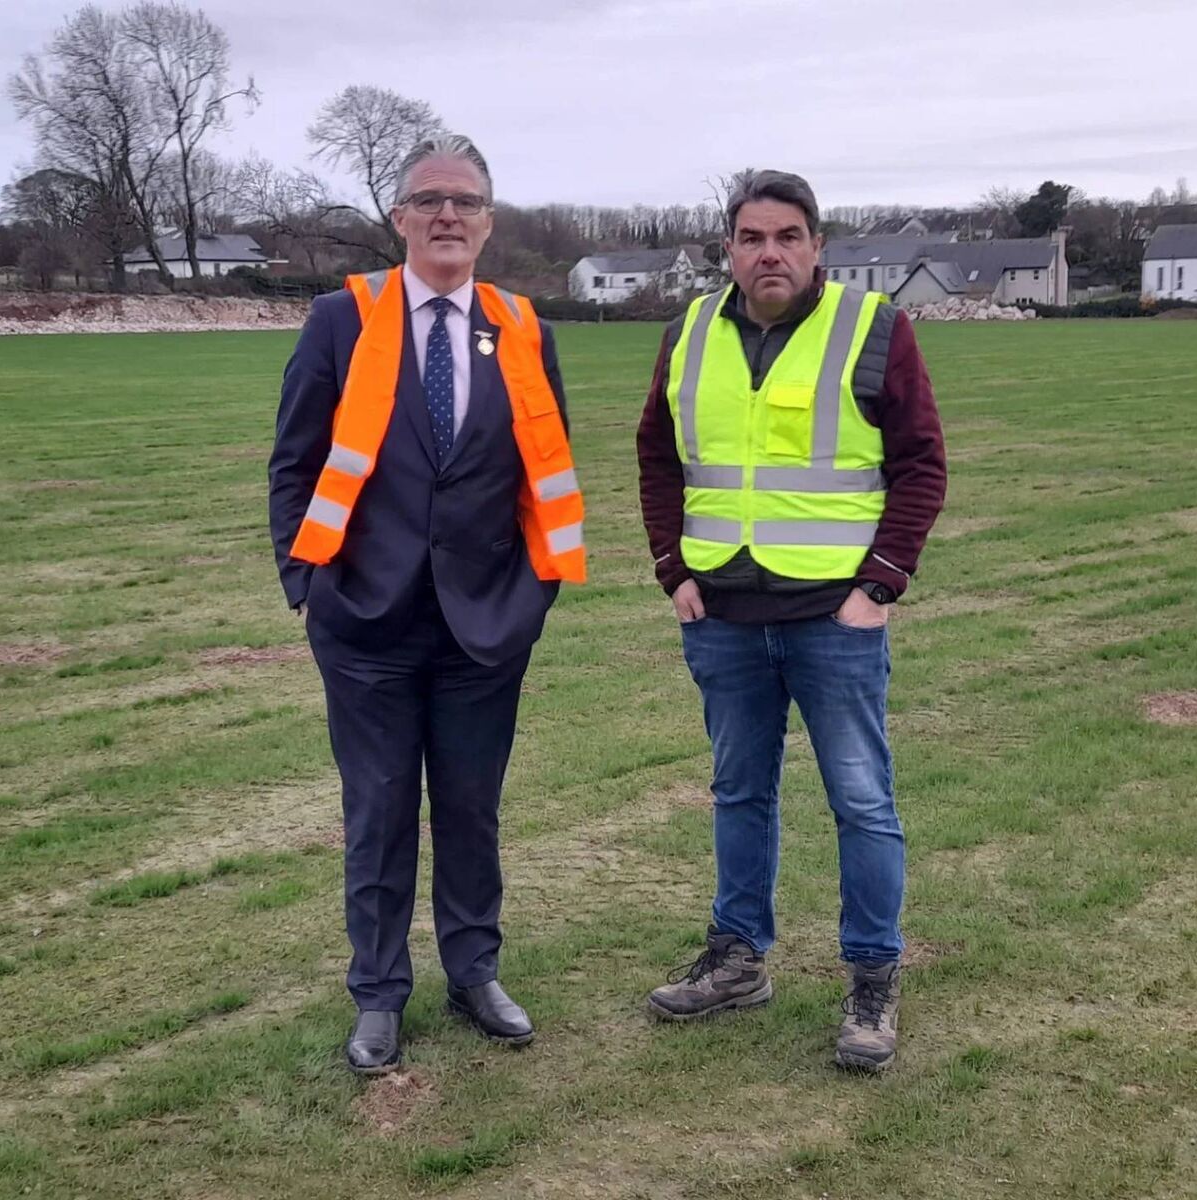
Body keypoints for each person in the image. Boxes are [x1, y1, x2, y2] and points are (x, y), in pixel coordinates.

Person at [269, 133, 584, 1074]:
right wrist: (308, 587)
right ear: (399, 219)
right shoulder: (341, 318)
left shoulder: (524, 327)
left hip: (487, 623)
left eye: (466, 202)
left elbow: (547, 470)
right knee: (376, 812)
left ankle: (474, 971)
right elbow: (294, 463)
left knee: (471, 809)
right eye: (429, 199)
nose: (448, 215)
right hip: (363, 620)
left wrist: (534, 598)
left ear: (488, 224)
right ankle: (378, 993)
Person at [636, 168, 945, 1071]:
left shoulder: (874, 327)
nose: (768, 253)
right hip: (722, 613)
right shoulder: (689, 331)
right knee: (739, 792)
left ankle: (873, 980)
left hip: (833, 618)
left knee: (861, 800)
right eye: (750, 238)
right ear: (727, 250)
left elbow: (920, 464)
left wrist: (878, 586)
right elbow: (659, 456)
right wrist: (672, 569)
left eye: (787, 237)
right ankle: (738, 959)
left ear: (818, 247)